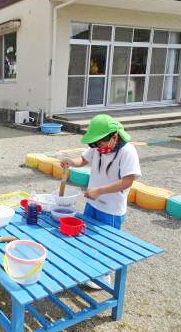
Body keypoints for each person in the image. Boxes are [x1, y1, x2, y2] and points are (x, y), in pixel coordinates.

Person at [61, 114, 141, 288]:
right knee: (89, 237)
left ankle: (104, 275)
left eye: (100, 143)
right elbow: (83, 159)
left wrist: (100, 191)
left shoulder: (128, 151)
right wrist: (71, 162)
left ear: (114, 136)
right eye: (94, 144)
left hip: (111, 208)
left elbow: (128, 181)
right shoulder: (98, 147)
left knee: (106, 243)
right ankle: (90, 269)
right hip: (93, 202)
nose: (97, 147)